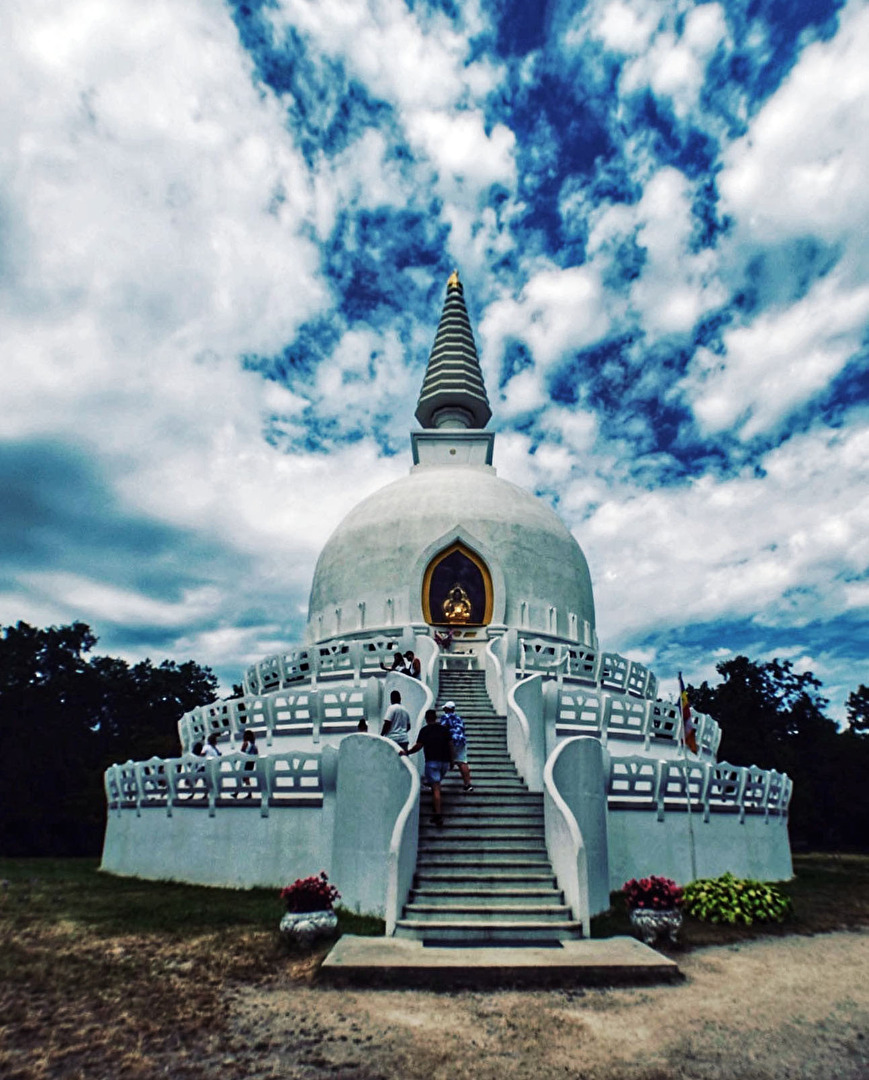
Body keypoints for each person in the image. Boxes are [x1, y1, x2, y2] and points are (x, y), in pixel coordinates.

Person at [401, 709, 452, 826]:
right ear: (436, 717)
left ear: (426, 718)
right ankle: (436, 803)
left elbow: (418, 746)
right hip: (444, 763)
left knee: (436, 788)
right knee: (436, 785)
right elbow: (450, 745)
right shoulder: (444, 730)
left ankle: (438, 815)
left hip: (432, 763)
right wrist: (452, 760)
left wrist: (407, 752)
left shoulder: (425, 730)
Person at [441, 701, 474, 791]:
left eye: (445, 708)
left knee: (442, 761)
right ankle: (468, 784)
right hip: (461, 741)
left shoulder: (445, 717)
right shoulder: (459, 718)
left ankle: (435, 782)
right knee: (463, 762)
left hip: (451, 741)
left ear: (447, 709)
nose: (443, 709)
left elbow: (442, 729)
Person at [236, 728, 259, 798]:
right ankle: (237, 792)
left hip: (246, 762)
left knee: (244, 777)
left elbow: (241, 752)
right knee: (245, 777)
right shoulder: (254, 746)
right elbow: (256, 755)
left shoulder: (245, 743)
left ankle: (249, 793)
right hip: (251, 762)